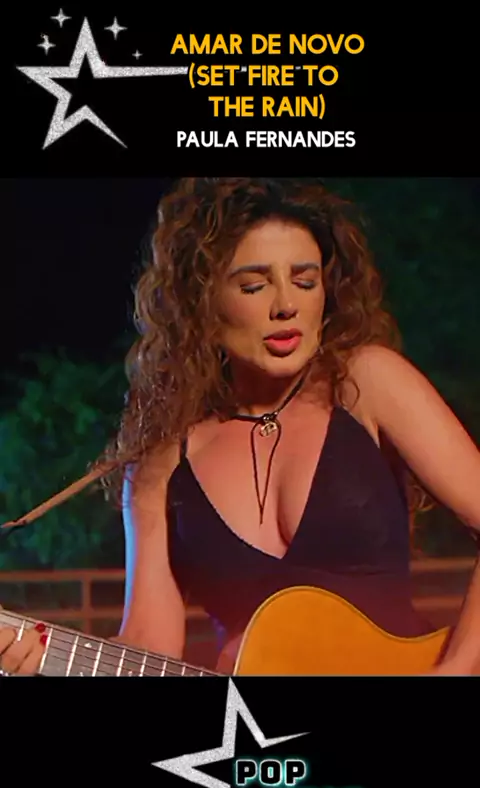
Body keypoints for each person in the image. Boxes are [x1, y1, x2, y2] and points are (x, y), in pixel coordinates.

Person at [1, 177, 479, 676]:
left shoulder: (367, 382)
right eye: (254, 286)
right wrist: (40, 659)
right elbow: (147, 644)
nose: (286, 305)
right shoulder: (159, 457)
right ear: (201, 301)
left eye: (305, 281)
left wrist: (456, 671)